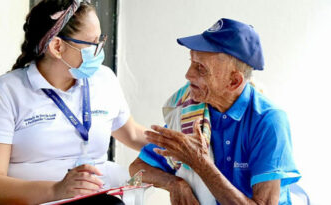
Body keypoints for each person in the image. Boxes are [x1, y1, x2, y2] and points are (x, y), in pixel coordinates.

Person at [0, 0, 147, 204]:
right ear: (57, 46)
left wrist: (179, 144)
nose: (99, 50)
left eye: (102, 41)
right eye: (93, 43)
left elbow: (132, 133)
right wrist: (57, 189)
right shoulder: (4, 93)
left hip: (93, 199)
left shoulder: (104, 79)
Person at [129, 18, 301, 205]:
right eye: (191, 62)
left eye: (201, 68)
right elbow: (138, 169)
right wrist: (174, 184)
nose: (188, 74)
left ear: (233, 81)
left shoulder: (269, 121)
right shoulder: (192, 113)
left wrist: (200, 163)